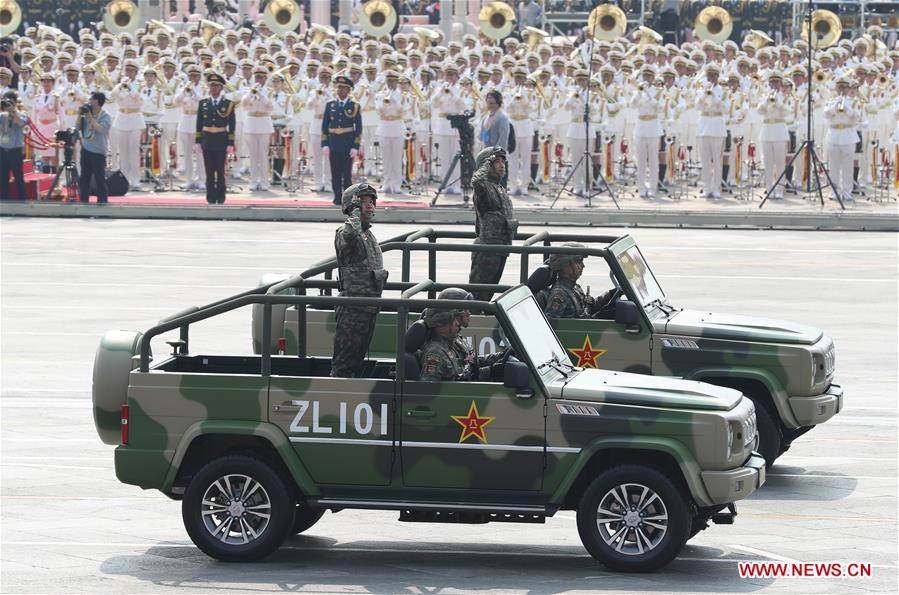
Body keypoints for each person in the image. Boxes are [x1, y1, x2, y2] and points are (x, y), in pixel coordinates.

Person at [331, 183, 388, 378]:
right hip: (353, 309)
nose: (370, 206)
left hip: (368, 307)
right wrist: (354, 213)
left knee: (357, 362)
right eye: (363, 202)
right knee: (344, 365)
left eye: (372, 201)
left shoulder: (368, 234)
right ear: (352, 206)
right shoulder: (346, 232)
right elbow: (350, 234)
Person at [418, 293, 504, 382]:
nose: (458, 323)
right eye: (452, 319)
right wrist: (490, 372)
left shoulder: (452, 343)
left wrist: (499, 357)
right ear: (440, 323)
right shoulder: (435, 354)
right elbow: (428, 391)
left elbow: (468, 368)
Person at [468, 146, 517, 302]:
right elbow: (476, 181)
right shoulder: (483, 187)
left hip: (501, 249)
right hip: (487, 250)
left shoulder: (499, 188)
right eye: (497, 162)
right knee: (478, 295)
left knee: (488, 293)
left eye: (503, 161)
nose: (502, 165)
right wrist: (486, 164)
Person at [195, 72, 236, 204]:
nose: (213, 89)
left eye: (216, 86)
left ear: (221, 88)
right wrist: (197, 141)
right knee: (209, 170)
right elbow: (199, 123)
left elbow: (232, 124)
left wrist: (230, 143)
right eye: (211, 86)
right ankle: (210, 196)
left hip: (221, 140)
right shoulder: (203, 103)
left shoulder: (228, 104)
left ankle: (221, 195)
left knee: (220, 169)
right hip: (207, 140)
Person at [322, 75, 362, 205]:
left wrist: (355, 146)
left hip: (347, 143)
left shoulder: (354, 105)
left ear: (348, 90)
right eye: (338, 87)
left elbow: (358, 127)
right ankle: (337, 197)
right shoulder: (330, 105)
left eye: (343, 88)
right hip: (334, 143)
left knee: (347, 174)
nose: (340, 90)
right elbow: (325, 126)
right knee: (335, 173)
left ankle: (348, 198)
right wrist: (325, 144)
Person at [78, 92, 113, 204]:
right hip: (85, 150)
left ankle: (102, 202)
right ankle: (84, 201)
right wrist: (80, 115)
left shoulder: (105, 116)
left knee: (99, 179)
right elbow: (77, 127)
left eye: (91, 99)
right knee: (84, 179)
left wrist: (90, 118)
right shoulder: (86, 114)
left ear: (97, 101)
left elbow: (101, 129)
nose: (89, 102)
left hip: (98, 152)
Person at [0, 92, 27, 199]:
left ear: (15, 103)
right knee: (2, 178)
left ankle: (22, 201)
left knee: (19, 178)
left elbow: (21, 124)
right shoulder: (2, 115)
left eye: (10, 101)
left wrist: (13, 110)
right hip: (2, 150)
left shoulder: (21, 114)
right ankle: (3, 201)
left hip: (15, 151)